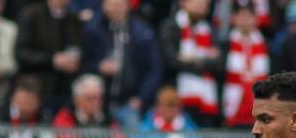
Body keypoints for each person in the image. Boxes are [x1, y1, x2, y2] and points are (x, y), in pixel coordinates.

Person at [80, 0, 163, 130]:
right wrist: (98, 67)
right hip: (99, 104)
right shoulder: (93, 30)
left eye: (120, 4)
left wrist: (141, 98)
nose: (116, 9)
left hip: (129, 103)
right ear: (104, 5)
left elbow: (154, 69)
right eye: (112, 4)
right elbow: (82, 63)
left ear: (128, 6)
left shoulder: (143, 33)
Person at [159, 0, 224, 127]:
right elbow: (171, 61)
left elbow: (220, 63)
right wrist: (205, 58)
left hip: (206, 101)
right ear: (183, 3)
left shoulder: (211, 30)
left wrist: (191, 58)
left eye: (205, 2)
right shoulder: (170, 26)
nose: (202, 4)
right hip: (177, 99)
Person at [15, 0, 82, 114]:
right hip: (38, 89)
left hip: (66, 89)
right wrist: (52, 60)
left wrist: (74, 61)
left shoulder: (73, 18)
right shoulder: (32, 15)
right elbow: (21, 54)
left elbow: (79, 47)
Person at [222, 0, 269, 128]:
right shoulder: (226, 45)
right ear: (234, 19)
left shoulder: (264, 45)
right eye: (241, 16)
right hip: (233, 107)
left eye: (249, 16)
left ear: (256, 19)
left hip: (257, 108)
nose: (245, 20)